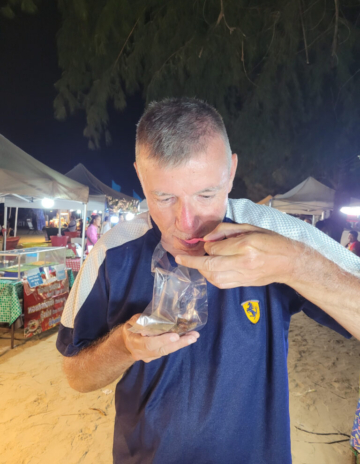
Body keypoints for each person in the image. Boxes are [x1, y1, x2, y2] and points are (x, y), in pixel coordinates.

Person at [57, 98, 360, 464]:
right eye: (165, 197)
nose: (187, 222)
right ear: (140, 176)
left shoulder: (277, 233)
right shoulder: (111, 254)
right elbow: (76, 375)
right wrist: (124, 346)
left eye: (206, 194)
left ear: (230, 172)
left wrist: (294, 265)